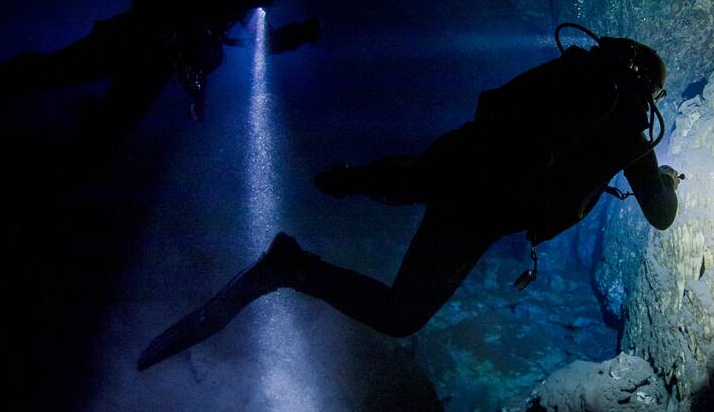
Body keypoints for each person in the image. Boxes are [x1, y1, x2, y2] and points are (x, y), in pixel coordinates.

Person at [137, 27, 681, 370]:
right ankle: (290, 266)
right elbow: (659, 216)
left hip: (462, 164)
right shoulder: (629, 132)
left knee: (420, 179)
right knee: (401, 316)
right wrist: (670, 181)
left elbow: (494, 115)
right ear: (646, 95)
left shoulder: (566, 74)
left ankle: (356, 180)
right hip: (485, 210)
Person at [0, 0, 319, 163]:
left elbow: (265, 42)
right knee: (60, 71)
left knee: (105, 125)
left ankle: (61, 167)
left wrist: (302, 33)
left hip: (159, 59)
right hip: (140, 33)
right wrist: (165, 20)